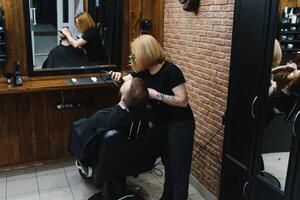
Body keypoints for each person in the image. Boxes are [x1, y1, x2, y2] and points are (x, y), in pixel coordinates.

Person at [111, 34, 195, 200]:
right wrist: (119, 79)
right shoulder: (145, 72)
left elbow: (183, 101)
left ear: (146, 54)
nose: (133, 58)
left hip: (180, 125)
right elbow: (131, 85)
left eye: (135, 55)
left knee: (179, 171)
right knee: (168, 166)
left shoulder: (171, 71)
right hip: (161, 125)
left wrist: (157, 95)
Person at [69, 77, 149, 176]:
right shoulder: (145, 116)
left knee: (79, 127)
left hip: (105, 161)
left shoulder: (103, 117)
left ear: (122, 97)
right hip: (131, 158)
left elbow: (84, 135)